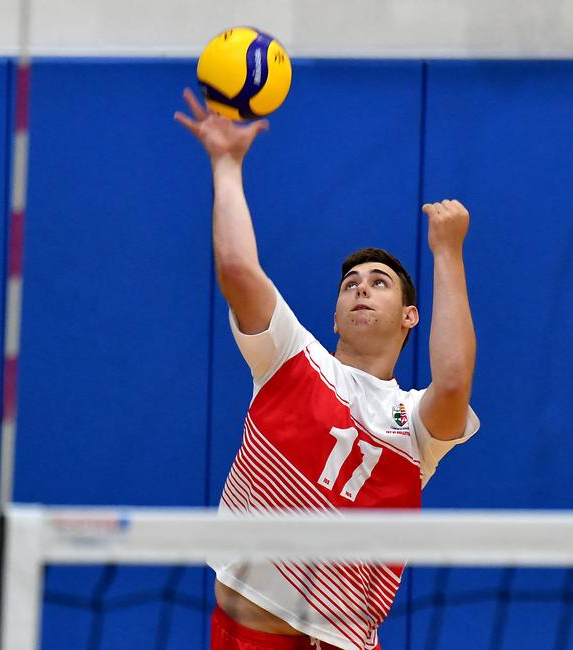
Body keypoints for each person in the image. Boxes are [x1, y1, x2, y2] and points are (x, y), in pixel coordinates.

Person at [175, 88, 480, 650]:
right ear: (336, 315)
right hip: (246, 634)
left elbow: (455, 382)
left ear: (411, 316)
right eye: (350, 285)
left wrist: (447, 252)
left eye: (378, 283)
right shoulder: (290, 357)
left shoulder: (412, 423)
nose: (361, 289)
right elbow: (238, 268)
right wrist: (225, 163)